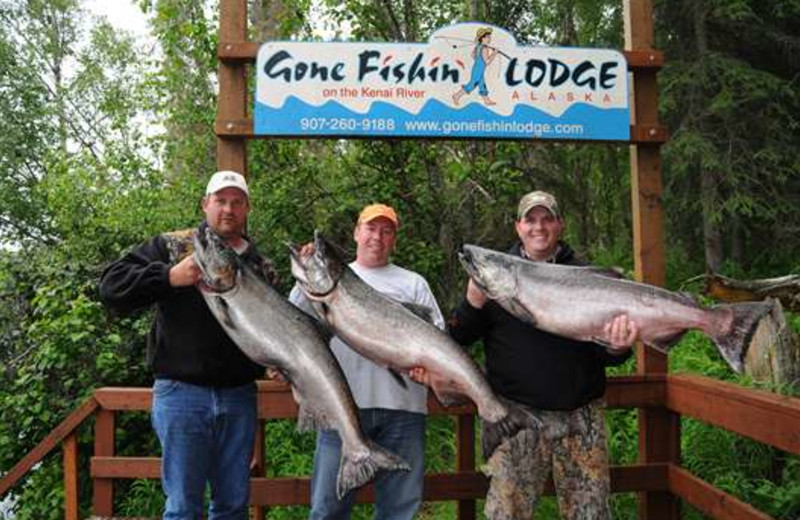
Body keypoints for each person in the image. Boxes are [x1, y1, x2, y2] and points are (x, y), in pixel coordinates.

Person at [447, 191, 637, 519]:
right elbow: (458, 337)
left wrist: (618, 346)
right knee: (507, 513)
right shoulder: (493, 274)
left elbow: (609, 357)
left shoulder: (587, 276)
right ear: (518, 227)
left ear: (559, 225)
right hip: (515, 418)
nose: (539, 227)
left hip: (581, 417)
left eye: (547, 218)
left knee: (590, 514)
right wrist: (472, 302)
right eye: (530, 220)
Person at [99, 171, 270, 520]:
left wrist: (275, 363)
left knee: (233, 506)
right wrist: (168, 276)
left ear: (247, 209)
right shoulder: (172, 246)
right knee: (181, 508)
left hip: (239, 397)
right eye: (220, 201)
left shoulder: (259, 265)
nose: (228, 209)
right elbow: (111, 287)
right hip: (181, 395)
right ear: (205, 204)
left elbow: (266, 333)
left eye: (237, 202)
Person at [289, 203, 444, 520]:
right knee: (327, 509)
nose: (378, 236)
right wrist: (307, 266)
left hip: (404, 411)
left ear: (394, 240)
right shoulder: (323, 278)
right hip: (341, 411)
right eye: (371, 228)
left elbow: (438, 340)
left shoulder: (414, 284)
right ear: (357, 233)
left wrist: (428, 371)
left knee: (399, 512)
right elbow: (292, 330)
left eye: (387, 231)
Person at [452, 27, 499, 106]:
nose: (489, 39)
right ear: (482, 38)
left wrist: (479, 61)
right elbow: (487, 62)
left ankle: (487, 100)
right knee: (472, 84)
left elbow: (472, 55)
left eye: (489, 37)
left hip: (477, 68)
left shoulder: (478, 47)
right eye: (487, 37)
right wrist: (494, 53)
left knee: (482, 84)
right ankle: (456, 96)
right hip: (478, 69)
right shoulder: (484, 48)